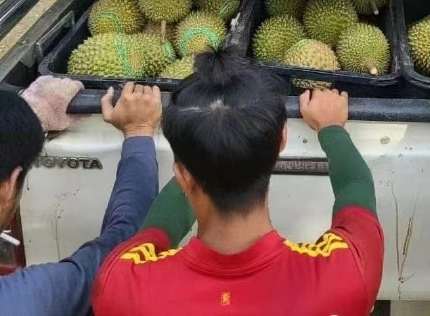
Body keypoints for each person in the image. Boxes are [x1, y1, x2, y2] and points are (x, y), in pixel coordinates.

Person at [92, 50, 384, 316]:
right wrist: (332, 128)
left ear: (182, 176)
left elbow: (154, 233)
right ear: (282, 141)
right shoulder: (345, 277)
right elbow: (355, 188)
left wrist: (141, 130)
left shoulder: (122, 286)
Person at [0, 77, 162, 316]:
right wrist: (138, 132)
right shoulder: (30, 299)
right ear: (6, 188)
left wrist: (23, 122)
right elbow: (127, 242)